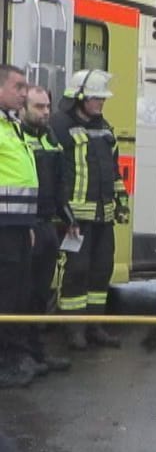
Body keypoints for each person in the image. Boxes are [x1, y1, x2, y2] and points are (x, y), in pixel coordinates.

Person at [49, 69, 128, 351]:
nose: (101, 104)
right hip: (75, 218)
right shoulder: (58, 125)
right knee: (76, 271)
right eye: (96, 98)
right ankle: (72, 329)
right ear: (79, 96)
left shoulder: (104, 126)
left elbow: (113, 169)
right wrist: (62, 211)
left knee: (101, 270)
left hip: (103, 215)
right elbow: (55, 173)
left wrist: (120, 202)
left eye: (102, 99)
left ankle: (94, 325)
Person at [20, 85, 72, 374]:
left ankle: (37, 353)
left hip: (48, 224)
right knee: (21, 294)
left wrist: (67, 216)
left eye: (47, 107)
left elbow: (60, 182)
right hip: (24, 226)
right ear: (23, 108)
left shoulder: (51, 138)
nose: (45, 112)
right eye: (38, 107)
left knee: (41, 293)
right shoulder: (16, 137)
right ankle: (20, 356)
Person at [0, 65, 41, 389]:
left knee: (18, 292)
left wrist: (26, 223)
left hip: (17, 224)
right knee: (6, 296)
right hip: (4, 226)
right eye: (18, 86)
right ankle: (7, 362)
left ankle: (18, 355)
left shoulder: (11, 125)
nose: (24, 92)